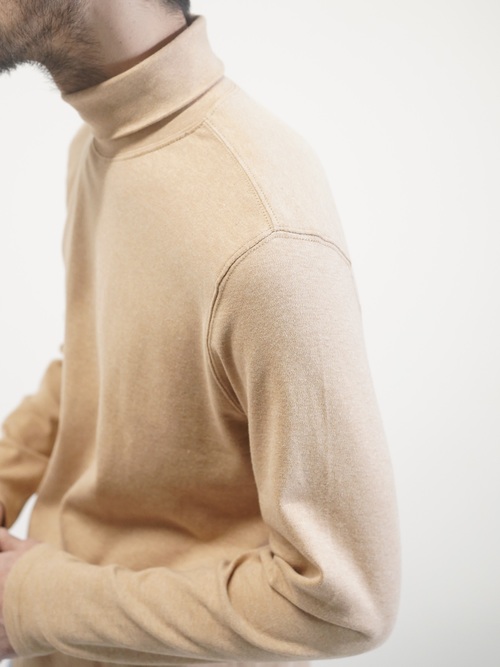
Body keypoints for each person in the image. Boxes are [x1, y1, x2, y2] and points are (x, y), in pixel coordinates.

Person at [0, 1, 401, 666]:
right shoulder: (100, 146)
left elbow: (344, 601)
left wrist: (35, 601)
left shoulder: (267, 236)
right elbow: (93, 367)